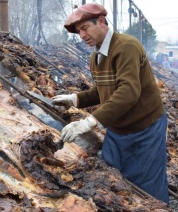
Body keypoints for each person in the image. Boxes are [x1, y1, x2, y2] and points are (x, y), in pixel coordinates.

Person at [51, 3, 169, 204]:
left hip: (144, 130)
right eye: (78, 31)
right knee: (112, 181)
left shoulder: (126, 46)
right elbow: (102, 90)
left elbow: (128, 92)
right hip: (118, 130)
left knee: (148, 190)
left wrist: (90, 122)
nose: (82, 35)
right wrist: (75, 99)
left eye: (85, 28)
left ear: (101, 21)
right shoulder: (95, 56)